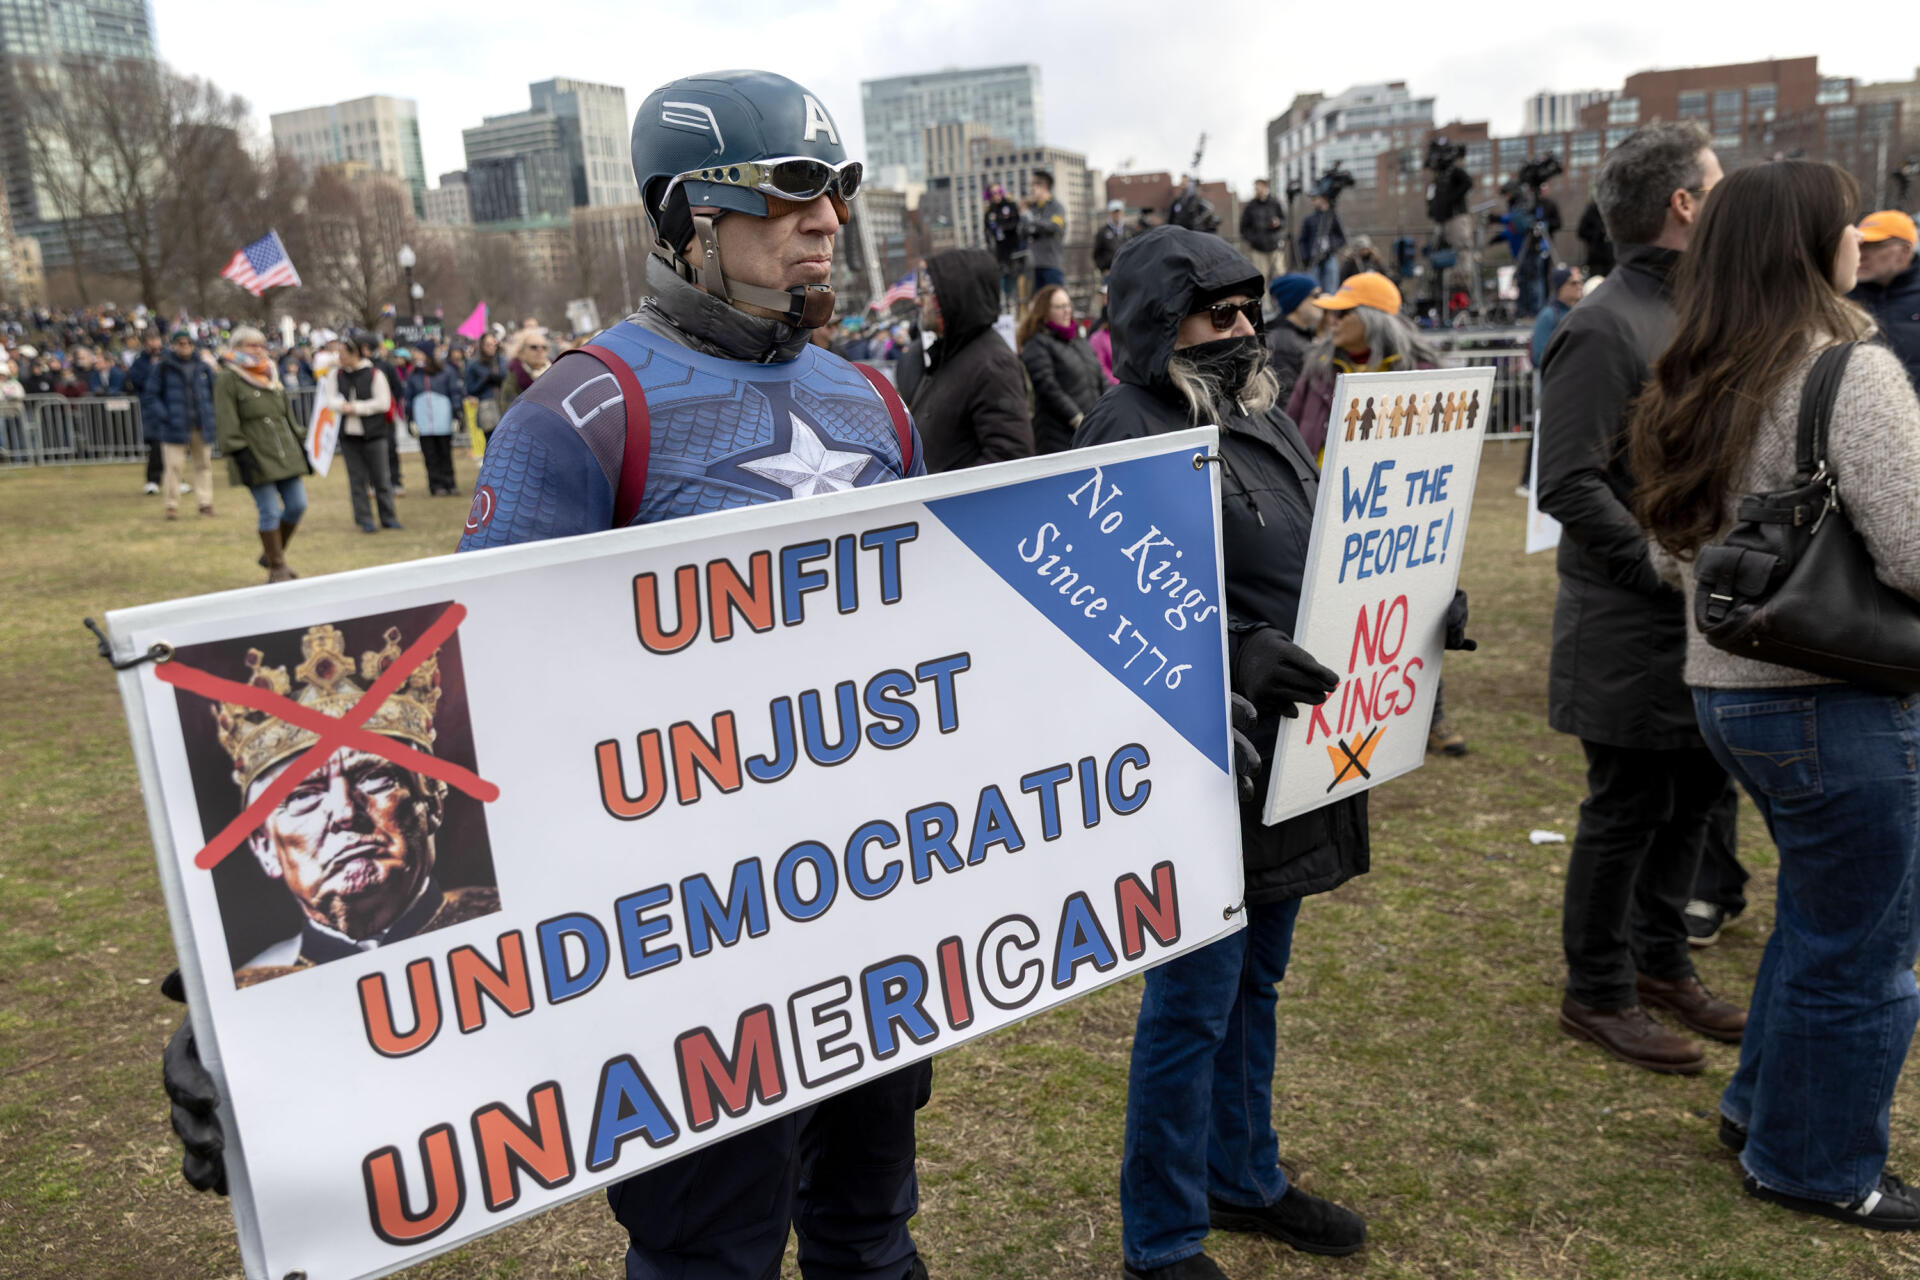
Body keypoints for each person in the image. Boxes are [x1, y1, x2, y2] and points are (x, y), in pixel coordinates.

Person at [1076, 225, 1468, 1280]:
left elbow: (1326, 550)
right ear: (1163, 324)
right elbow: (1106, 605)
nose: (1245, 328)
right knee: (1194, 1001)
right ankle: (1160, 1236)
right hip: (1207, 761)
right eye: (1220, 313)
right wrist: (1238, 653)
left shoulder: (1252, 410)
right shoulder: (1126, 426)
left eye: (1249, 310)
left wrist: (1419, 599)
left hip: (1291, 756)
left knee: (1256, 982)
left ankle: (1241, 1174)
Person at [1629, 157, 1920, 1230]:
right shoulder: (1847, 366)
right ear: (1812, 242)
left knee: (1822, 915)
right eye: (1846, 223)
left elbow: (1674, 552)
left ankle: (1763, 1107)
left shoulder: (1694, 367)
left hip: (1731, 687)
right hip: (1831, 688)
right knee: (1868, 944)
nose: (1861, 239)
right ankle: (1816, 1160)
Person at [1536, 120, 1746, 1075]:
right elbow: (1568, 483)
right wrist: (1666, 566)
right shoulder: (1603, 323)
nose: (1728, 194)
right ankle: (1599, 990)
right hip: (1631, 619)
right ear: (1684, 205)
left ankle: (1662, 965)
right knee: (1627, 806)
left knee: (1699, 791)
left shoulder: (1706, 311)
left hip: (1706, 616)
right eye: (1718, 182)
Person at [217, 621, 497, 985]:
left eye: (374, 777)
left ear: (432, 799)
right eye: (302, 796)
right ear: (265, 847)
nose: (346, 813)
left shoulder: (519, 917)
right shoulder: (248, 990)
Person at [907, 247, 1035, 470]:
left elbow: (1011, 458)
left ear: (952, 296)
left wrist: (950, 498)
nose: (918, 302)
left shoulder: (993, 363)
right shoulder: (954, 352)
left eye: (926, 292)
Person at [214, 326, 309, 582]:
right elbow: (226, 419)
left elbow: (285, 414)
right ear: (236, 348)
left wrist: (301, 443)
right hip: (253, 453)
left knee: (298, 504)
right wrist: (238, 451)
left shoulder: (270, 374)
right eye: (250, 345)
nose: (257, 349)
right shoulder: (229, 378)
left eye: (260, 344)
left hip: (283, 453)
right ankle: (277, 566)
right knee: (269, 510)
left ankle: (270, 554)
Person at [1516, 266, 1584, 496]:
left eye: (1580, 282)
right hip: (1552, 386)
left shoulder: (1575, 311)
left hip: (1571, 386)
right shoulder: (1549, 315)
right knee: (1543, 433)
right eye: (1573, 283)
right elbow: (1538, 354)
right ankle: (1527, 481)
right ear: (1561, 287)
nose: (1579, 287)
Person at [140, 329, 217, 520]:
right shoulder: (163, 367)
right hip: (174, 425)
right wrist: (165, 416)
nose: (185, 347)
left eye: (188, 343)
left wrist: (210, 414)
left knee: (204, 466)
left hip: (200, 424)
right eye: (181, 343)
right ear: (173, 345)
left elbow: (216, 392)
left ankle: (205, 503)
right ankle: (171, 505)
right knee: (173, 468)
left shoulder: (203, 367)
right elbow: (150, 396)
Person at [328, 334, 401, 534]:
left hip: (374, 433)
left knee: (381, 478)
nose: (340, 357)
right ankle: (365, 519)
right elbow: (330, 399)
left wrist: (357, 408)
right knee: (357, 479)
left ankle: (388, 516)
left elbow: (383, 402)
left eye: (344, 353)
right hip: (350, 436)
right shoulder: (337, 375)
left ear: (355, 353)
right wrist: (342, 406)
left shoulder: (374, 374)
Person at [1018, 283, 1103, 454]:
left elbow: (1099, 376)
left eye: (1068, 305)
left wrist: (1107, 410)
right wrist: (1076, 418)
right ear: (1045, 312)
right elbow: (1048, 386)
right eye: (1060, 307)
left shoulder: (1078, 340)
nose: (1067, 311)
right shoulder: (1037, 344)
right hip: (1059, 438)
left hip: (1090, 431)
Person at [1848, 209, 1920, 390]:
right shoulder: (1840, 299)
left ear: (1905, 250)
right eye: (1860, 245)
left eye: (1875, 246)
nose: (1862, 255)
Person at [403, 342, 460, 496]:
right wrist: (410, 419)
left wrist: (456, 414)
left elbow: (454, 392)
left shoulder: (446, 371)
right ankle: (435, 485)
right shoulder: (414, 375)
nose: (415, 356)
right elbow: (408, 398)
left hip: (443, 420)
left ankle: (450, 483)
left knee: (445, 453)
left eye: (418, 352)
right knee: (430, 455)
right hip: (423, 421)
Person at [1264, 273, 1322, 405]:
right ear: (1297, 300)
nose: (1321, 302)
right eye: (1315, 296)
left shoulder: (1300, 335)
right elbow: (1285, 399)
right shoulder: (1284, 343)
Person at [126, 329, 166, 495]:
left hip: (169, 404)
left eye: (156, 339)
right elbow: (136, 381)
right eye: (150, 340)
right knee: (156, 444)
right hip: (150, 408)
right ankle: (153, 479)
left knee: (170, 446)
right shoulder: (140, 362)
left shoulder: (168, 357)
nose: (154, 344)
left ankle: (175, 479)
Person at [984, 183, 1028, 309]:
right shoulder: (989, 211)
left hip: (1013, 247)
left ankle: (1017, 303)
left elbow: (1015, 223)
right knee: (1002, 277)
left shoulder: (1009, 205)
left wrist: (1002, 227)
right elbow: (987, 230)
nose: (996, 196)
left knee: (1016, 277)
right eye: (993, 193)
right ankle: (1007, 302)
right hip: (999, 250)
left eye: (998, 192)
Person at [1026, 168, 1067, 292]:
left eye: (1034, 184)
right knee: (1038, 305)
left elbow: (1054, 227)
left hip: (1051, 264)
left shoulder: (1056, 206)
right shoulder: (1033, 208)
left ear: (1043, 186)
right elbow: (1022, 229)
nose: (1031, 188)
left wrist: (1033, 223)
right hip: (1034, 265)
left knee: (1055, 298)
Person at [1297, 194, 1346, 294]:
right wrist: (1305, 257)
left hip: (1329, 255)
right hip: (1313, 258)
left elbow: (1342, 238)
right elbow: (1302, 240)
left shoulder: (1333, 217)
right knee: (1313, 288)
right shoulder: (1309, 219)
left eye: (1316, 199)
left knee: (1331, 286)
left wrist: (1332, 245)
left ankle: (1330, 305)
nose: (1314, 202)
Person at [1239, 179, 1286, 280]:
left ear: (1265, 188)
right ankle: (1264, 297)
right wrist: (1253, 239)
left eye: (1259, 188)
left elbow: (1283, 221)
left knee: (1279, 274)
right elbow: (1243, 228)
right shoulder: (1250, 206)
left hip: (1275, 246)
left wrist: (1278, 223)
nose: (1257, 190)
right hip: (1258, 249)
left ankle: (1280, 296)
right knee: (1261, 277)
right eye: (1255, 188)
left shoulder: (1275, 203)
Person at [465, 329, 507, 437]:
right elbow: (470, 389)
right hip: (487, 407)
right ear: (482, 346)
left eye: (494, 344)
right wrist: (484, 380)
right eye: (488, 345)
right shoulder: (474, 364)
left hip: (504, 405)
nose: (491, 347)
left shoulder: (502, 361)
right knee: (491, 441)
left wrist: (500, 379)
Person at [498, 329, 551, 413]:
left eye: (544, 347)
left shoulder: (556, 371)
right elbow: (507, 409)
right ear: (520, 352)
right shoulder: (513, 375)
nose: (540, 350)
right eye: (534, 347)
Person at [1577, 198, 1615, 277]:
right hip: (1596, 257)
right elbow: (1581, 232)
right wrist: (1598, 233)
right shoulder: (1592, 210)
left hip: (1610, 256)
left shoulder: (1612, 209)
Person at [1094, 198, 1131, 276]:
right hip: (1110, 271)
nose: (1117, 215)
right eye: (1114, 212)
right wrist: (1103, 269)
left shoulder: (1129, 230)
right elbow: (1096, 253)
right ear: (1110, 213)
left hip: (1128, 270)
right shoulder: (1102, 232)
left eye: (1119, 212)